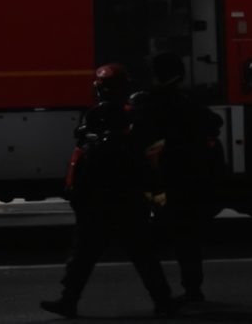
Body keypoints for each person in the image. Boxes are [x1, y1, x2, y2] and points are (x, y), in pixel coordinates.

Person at [43, 64, 174, 319]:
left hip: (107, 198)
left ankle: (69, 300)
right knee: (135, 253)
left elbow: (91, 157)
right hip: (117, 198)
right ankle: (163, 301)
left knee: (88, 255)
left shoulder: (121, 119)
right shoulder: (123, 118)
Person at [132, 53, 222, 309]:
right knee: (187, 237)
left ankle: (165, 294)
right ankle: (192, 289)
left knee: (155, 237)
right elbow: (214, 121)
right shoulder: (188, 99)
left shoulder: (155, 102)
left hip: (167, 179)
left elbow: (141, 135)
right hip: (191, 178)